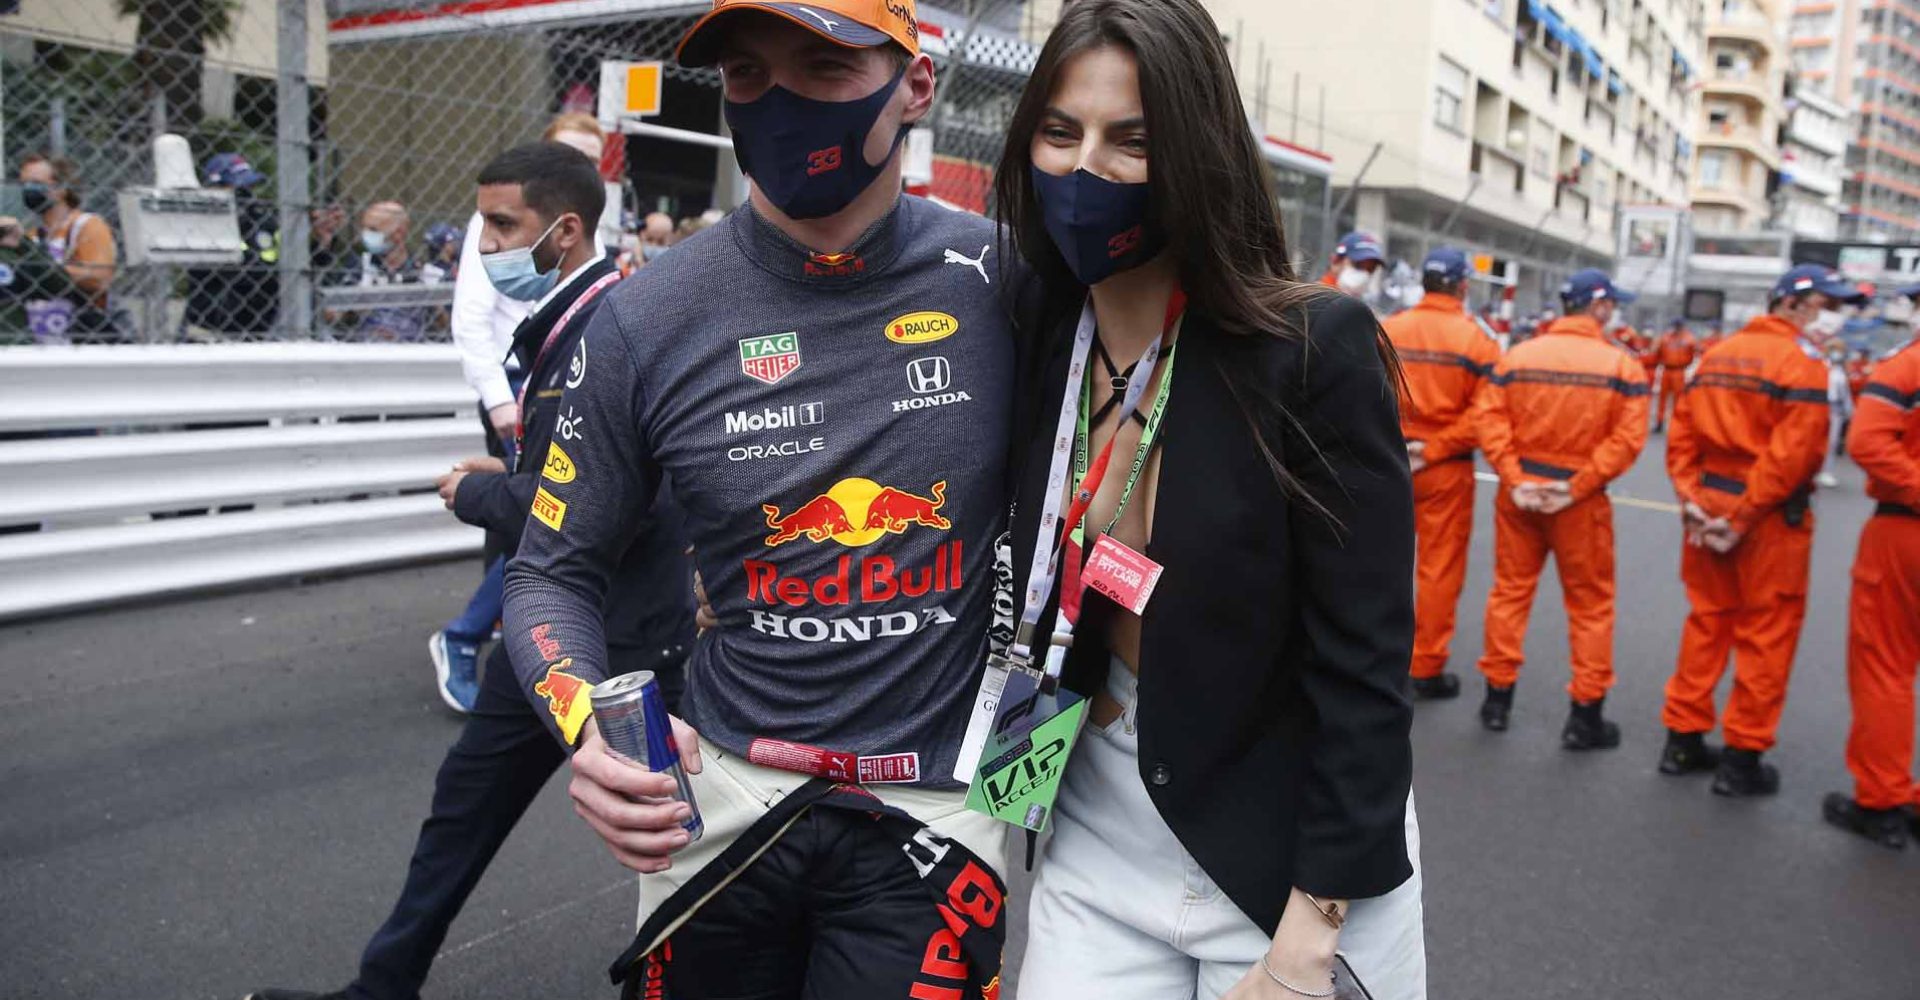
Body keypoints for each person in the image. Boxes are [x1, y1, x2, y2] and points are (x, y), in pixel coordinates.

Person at [502, 1, 1020, 995]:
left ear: (916, 86)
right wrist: (587, 734)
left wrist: (1024, 791)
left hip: (937, 808)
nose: (778, 103)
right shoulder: (648, 317)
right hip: (722, 793)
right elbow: (548, 576)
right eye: (748, 75)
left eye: (822, 71)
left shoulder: (1011, 279)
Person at [998, 3, 1424, 996]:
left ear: (1195, 150)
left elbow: (1364, 672)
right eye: (1060, 132)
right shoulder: (1025, 324)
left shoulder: (1313, 352)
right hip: (1099, 828)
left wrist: (1312, 931)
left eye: (1131, 139)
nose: (1085, 168)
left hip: (1288, 856)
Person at [243, 142, 695, 1000]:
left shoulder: (612, 328)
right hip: (546, 634)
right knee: (463, 808)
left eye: (500, 225)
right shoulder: (571, 322)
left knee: (667, 842)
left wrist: (475, 496)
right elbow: (580, 481)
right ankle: (384, 986)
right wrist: (510, 483)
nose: (480, 244)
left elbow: (608, 508)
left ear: (563, 232)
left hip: (625, 648)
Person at [433, 114, 611, 711]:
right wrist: (500, 401)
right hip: (516, 387)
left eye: (593, 154)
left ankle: (493, 634)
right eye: (570, 151)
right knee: (541, 515)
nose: (582, 163)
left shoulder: (589, 240)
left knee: (543, 517)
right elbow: (470, 320)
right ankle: (475, 636)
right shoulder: (501, 226)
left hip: (557, 374)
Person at [1654, 264, 1852, 797]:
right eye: (1827, 305)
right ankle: (1741, 759)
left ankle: (1682, 741)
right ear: (1792, 304)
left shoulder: (1715, 355)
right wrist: (1740, 518)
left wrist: (1695, 505)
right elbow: (1794, 456)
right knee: (1766, 635)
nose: (1834, 317)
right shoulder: (1803, 363)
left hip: (1713, 503)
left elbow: (1681, 440)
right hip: (1766, 518)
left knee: (1707, 622)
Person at [1473, 269, 1649, 746]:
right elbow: (1628, 439)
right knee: (1590, 607)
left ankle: (1496, 700)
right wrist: (1576, 486)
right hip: (1580, 504)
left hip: (1521, 497)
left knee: (1509, 594)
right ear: (1599, 306)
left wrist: (1514, 479)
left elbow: (1488, 420)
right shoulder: (1622, 367)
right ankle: (1584, 718)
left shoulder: (1517, 357)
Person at [1823, 282, 1920, 849]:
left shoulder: (1905, 368)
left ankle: (1882, 801)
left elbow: (1868, 441)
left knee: (1885, 666)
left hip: (1905, 528)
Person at [1381, 246, 1499, 702]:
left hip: (1385, 460)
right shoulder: (1477, 340)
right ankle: (1426, 667)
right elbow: (1487, 413)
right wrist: (1434, 448)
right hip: (1445, 469)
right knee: (1439, 569)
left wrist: (1394, 443)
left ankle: (1369, 655)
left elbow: (1361, 392)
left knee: (1371, 562)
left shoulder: (1388, 328)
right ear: (1464, 285)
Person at [14, 152, 119, 343]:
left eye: (36, 182)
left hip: (79, 336)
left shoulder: (86, 226)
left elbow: (99, 278)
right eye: (24, 184)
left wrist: (46, 272)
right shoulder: (31, 237)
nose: (28, 189)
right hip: (39, 339)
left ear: (61, 189)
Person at [184, 152, 281, 337]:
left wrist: (320, 243)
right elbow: (238, 273)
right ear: (215, 189)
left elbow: (293, 263)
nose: (245, 194)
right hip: (212, 327)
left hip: (262, 325)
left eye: (249, 186)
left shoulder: (263, 222)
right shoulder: (204, 227)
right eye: (237, 187)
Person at [1817, 338, 1854, 489]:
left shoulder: (1841, 371)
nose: (1836, 352)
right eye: (1833, 348)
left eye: (1839, 349)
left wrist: (1850, 411)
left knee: (1831, 443)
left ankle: (1826, 471)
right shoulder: (1818, 365)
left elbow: (1845, 394)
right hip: (1819, 406)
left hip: (1836, 409)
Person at [1652, 317, 1698, 433]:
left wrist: (1685, 365)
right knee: (1662, 397)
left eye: (1679, 326)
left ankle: (1677, 423)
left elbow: (1692, 355)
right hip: (1667, 370)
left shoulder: (1688, 339)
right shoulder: (1666, 338)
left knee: (1678, 399)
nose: (1677, 329)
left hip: (1679, 370)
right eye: (1675, 326)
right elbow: (1658, 352)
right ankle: (1660, 421)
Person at [1319, 229, 1384, 297]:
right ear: (1336, 261)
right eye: (1359, 265)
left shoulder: (1367, 304)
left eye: (1371, 267)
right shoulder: (1314, 298)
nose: (1365, 273)